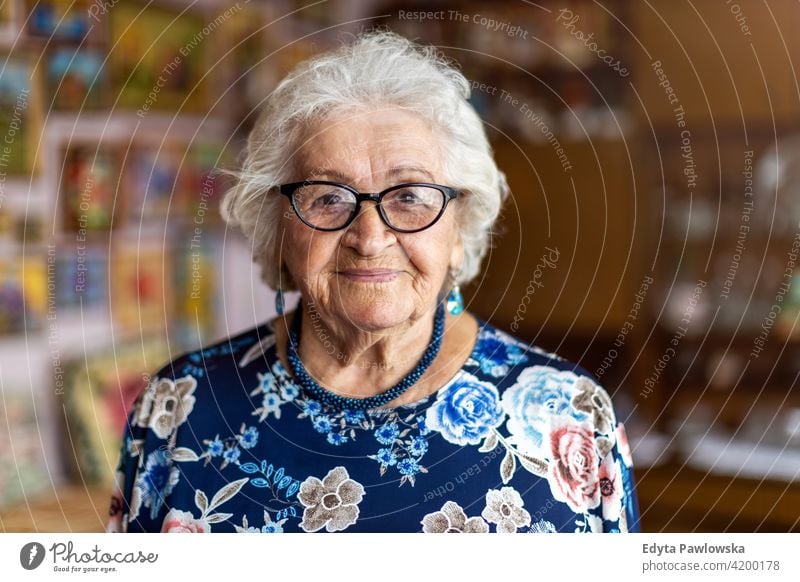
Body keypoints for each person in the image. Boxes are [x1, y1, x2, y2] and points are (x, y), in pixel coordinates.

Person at [105, 29, 640, 533]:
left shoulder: (568, 417)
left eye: (409, 196)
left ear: (458, 230)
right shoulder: (178, 408)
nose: (370, 235)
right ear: (279, 233)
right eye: (328, 197)